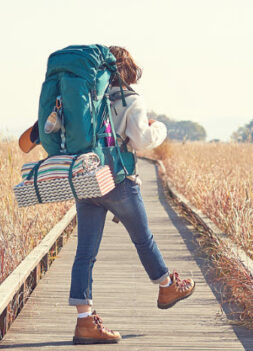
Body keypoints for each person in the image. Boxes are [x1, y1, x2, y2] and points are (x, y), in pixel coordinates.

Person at [69, 45, 195, 345]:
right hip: (118, 180)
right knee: (143, 238)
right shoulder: (130, 98)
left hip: (87, 179)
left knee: (85, 253)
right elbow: (141, 140)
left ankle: (84, 321)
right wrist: (159, 127)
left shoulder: (85, 97)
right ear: (127, 70)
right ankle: (166, 286)